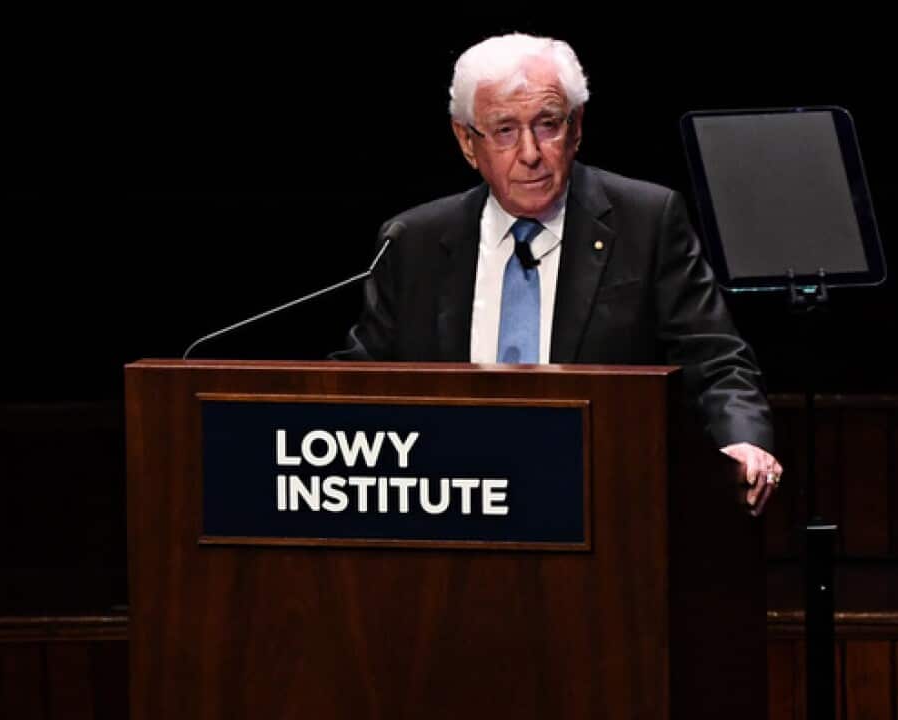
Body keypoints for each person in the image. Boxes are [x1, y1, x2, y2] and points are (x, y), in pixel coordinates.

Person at [333, 33, 782, 513]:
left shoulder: (645, 221)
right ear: (467, 141)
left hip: (606, 502)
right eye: (504, 130)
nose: (530, 152)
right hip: (453, 507)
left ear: (577, 127)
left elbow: (716, 360)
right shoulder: (413, 241)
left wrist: (743, 441)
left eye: (547, 124)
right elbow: (363, 380)